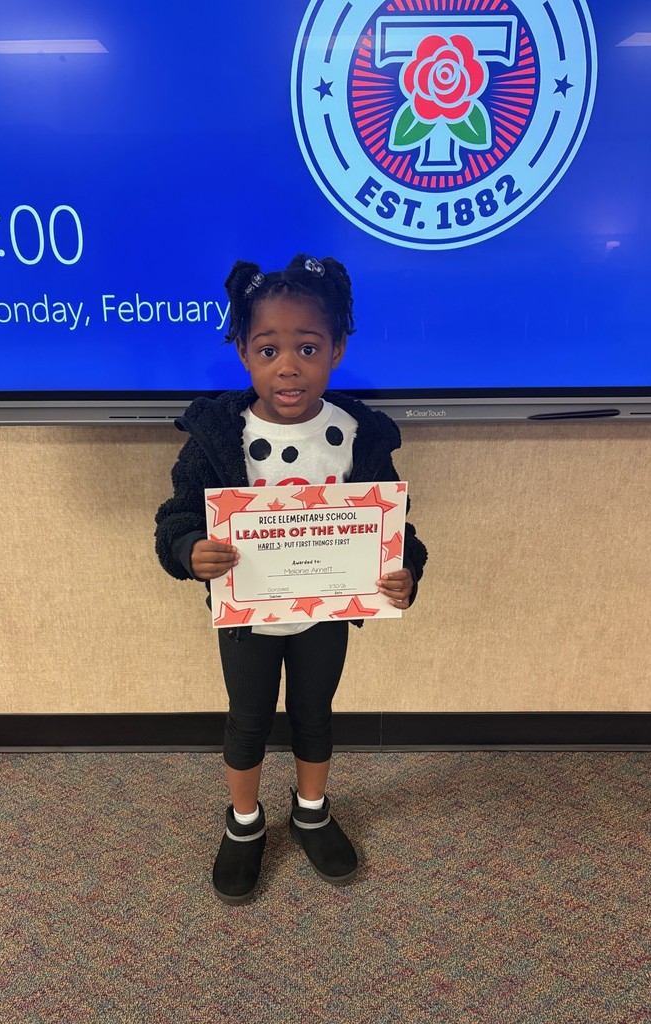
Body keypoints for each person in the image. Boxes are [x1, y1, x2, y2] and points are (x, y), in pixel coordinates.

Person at [155, 254, 427, 904]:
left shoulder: (358, 436)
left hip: (325, 614)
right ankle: (245, 824)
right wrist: (191, 548)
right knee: (247, 720)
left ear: (336, 348)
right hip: (248, 617)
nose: (288, 365)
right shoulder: (218, 435)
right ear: (244, 352)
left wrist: (404, 569)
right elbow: (177, 515)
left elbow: (395, 525)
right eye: (268, 348)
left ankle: (311, 810)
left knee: (314, 714)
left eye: (307, 347)